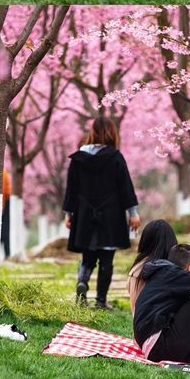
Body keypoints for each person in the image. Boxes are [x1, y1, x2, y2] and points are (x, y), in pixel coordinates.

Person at [63, 116, 139, 310]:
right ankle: (101, 301)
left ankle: (83, 281)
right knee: (107, 259)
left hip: (84, 213)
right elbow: (126, 187)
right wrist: (133, 213)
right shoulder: (115, 157)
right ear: (112, 133)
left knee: (88, 255)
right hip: (111, 215)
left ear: (92, 132)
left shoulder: (78, 158)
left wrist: (69, 214)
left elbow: (71, 188)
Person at [127, 220, 178, 311]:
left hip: (139, 322)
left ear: (145, 240)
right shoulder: (169, 269)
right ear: (171, 240)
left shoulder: (136, 267)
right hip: (161, 322)